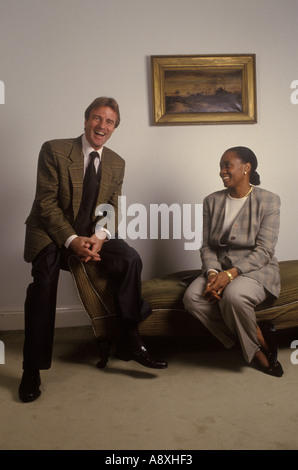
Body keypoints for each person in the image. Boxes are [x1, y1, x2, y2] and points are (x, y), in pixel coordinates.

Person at [19, 97, 167, 403]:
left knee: (130, 259)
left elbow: (111, 207)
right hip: (49, 233)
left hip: (91, 234)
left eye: (109, 121)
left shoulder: (117, 162)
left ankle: (130, 340)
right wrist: (73, 241)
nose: (102, 126)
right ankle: (31, 369)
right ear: (86, 120)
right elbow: (45, 204)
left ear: (115, 127)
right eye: (97, 118)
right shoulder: (55, 150)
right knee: (44, 286)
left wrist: (100, 237)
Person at [183, 146, 283, 377]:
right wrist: (211, 273)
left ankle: (257, 354)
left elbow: (265, 250)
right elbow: (208, 245)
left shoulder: (269, 201)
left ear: (246, 168)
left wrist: (229, 275)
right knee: (192, 299)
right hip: (218, 267)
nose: (222, 171)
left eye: (227, 165)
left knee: (234, 296)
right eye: (221, 166)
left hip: (256, 269)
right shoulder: (212, 201)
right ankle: (257, 337)